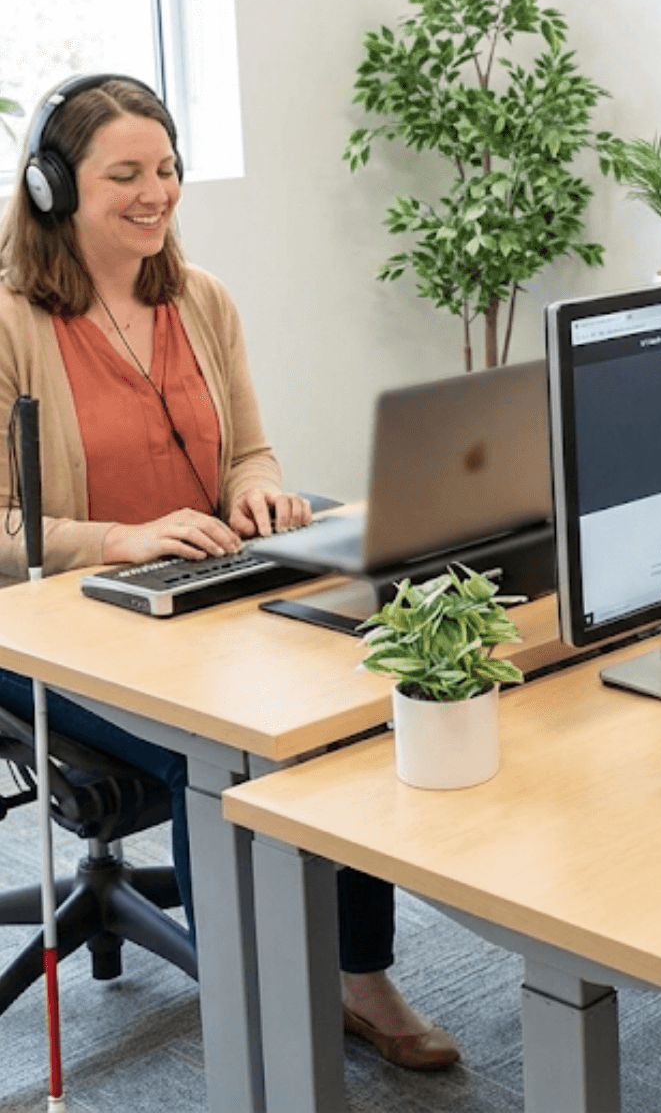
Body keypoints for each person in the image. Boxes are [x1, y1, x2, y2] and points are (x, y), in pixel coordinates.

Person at [0, 75, 458, 1070]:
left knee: (346, 699)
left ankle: (357, 972)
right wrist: (111, 540)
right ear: (49, 186)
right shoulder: (9, 324)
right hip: (55, 622)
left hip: (203, 590)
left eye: (166, 169)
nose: (155, 193)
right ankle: (264, 1035)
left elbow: (251, 452)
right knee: (207, 754)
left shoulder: (199, 296)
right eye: (124, 174)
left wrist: (256, 495)